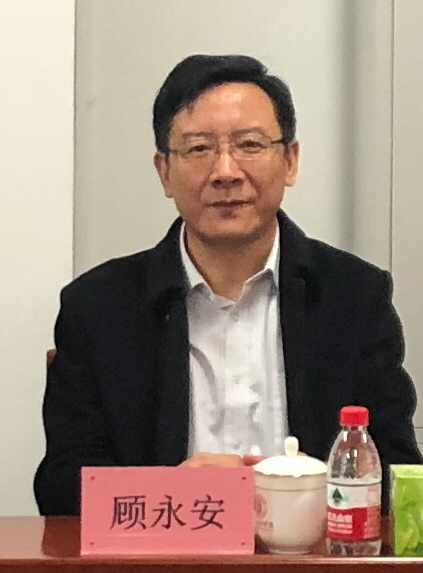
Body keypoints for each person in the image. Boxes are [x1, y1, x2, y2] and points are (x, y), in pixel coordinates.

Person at [34, 54, 422, 516]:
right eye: (199, 149)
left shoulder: (354, 297)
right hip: (160, 553)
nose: (225, 171)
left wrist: (309, 494)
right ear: (164, 171)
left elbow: (397, 471)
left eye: (249, 145)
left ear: (290, 161)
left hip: (311, 549)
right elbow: (60, 489)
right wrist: (171, 492)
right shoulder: (98, 307)